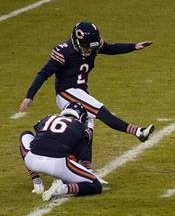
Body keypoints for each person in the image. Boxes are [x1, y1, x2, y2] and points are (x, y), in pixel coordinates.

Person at [19, 21, 155, 152]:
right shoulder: (64, 52)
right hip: (66, 93)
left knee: (86, 131)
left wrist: (134, 46)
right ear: (76, 41)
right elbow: (43, 74)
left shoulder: (92, 45)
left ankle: (82, 166)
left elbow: (110, 48)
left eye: (91, 46)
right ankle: (138, 132)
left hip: (81, 92)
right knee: (101, 111)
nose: (89, 50)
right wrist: (29, 96)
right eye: (86, 46)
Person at [19, 104, 104, 201]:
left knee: (25, 134)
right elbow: (80, 151)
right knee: (96, 185)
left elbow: (39, 133)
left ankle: (36, 182)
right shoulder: (81, 126)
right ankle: (63, 189)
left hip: (32, 161)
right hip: (57, 165)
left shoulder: (48, 117)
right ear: (81, 117)